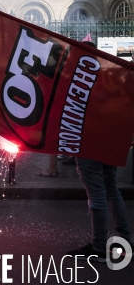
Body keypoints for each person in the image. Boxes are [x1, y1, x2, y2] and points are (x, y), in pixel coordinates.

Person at [67, 41, 132, 261]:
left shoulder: (79, 80)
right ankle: (126, 238)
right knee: (112, 190)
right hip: (110, 142)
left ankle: (99, 246)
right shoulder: (110, 75)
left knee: (97, 194)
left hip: (90, 142)